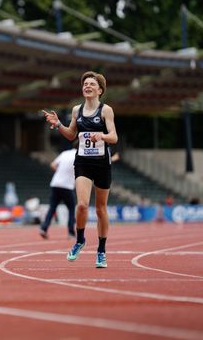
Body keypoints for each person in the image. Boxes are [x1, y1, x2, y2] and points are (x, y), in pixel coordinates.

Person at [43, 71, 118, 268]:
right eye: (85, 83)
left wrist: (101, 136)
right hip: (83, 161)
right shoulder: (77, 110)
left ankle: (101, 250)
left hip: (102, 163)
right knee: (82, 205)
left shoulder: (105, 110)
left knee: (101, 209)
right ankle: (80, 239)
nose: (87, 86)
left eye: (92, 84)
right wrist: (58, 124)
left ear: (99, 90)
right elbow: (70, 135)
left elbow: (114, 137)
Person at [40, 145, 77, 239]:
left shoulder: (65, 153)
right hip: (67, 186)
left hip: (55, 183)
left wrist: (61, 173)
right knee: (72, 209)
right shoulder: (79, 155)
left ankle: (44, 228)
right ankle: (71, 233)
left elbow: (53, 165)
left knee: (52, 208)